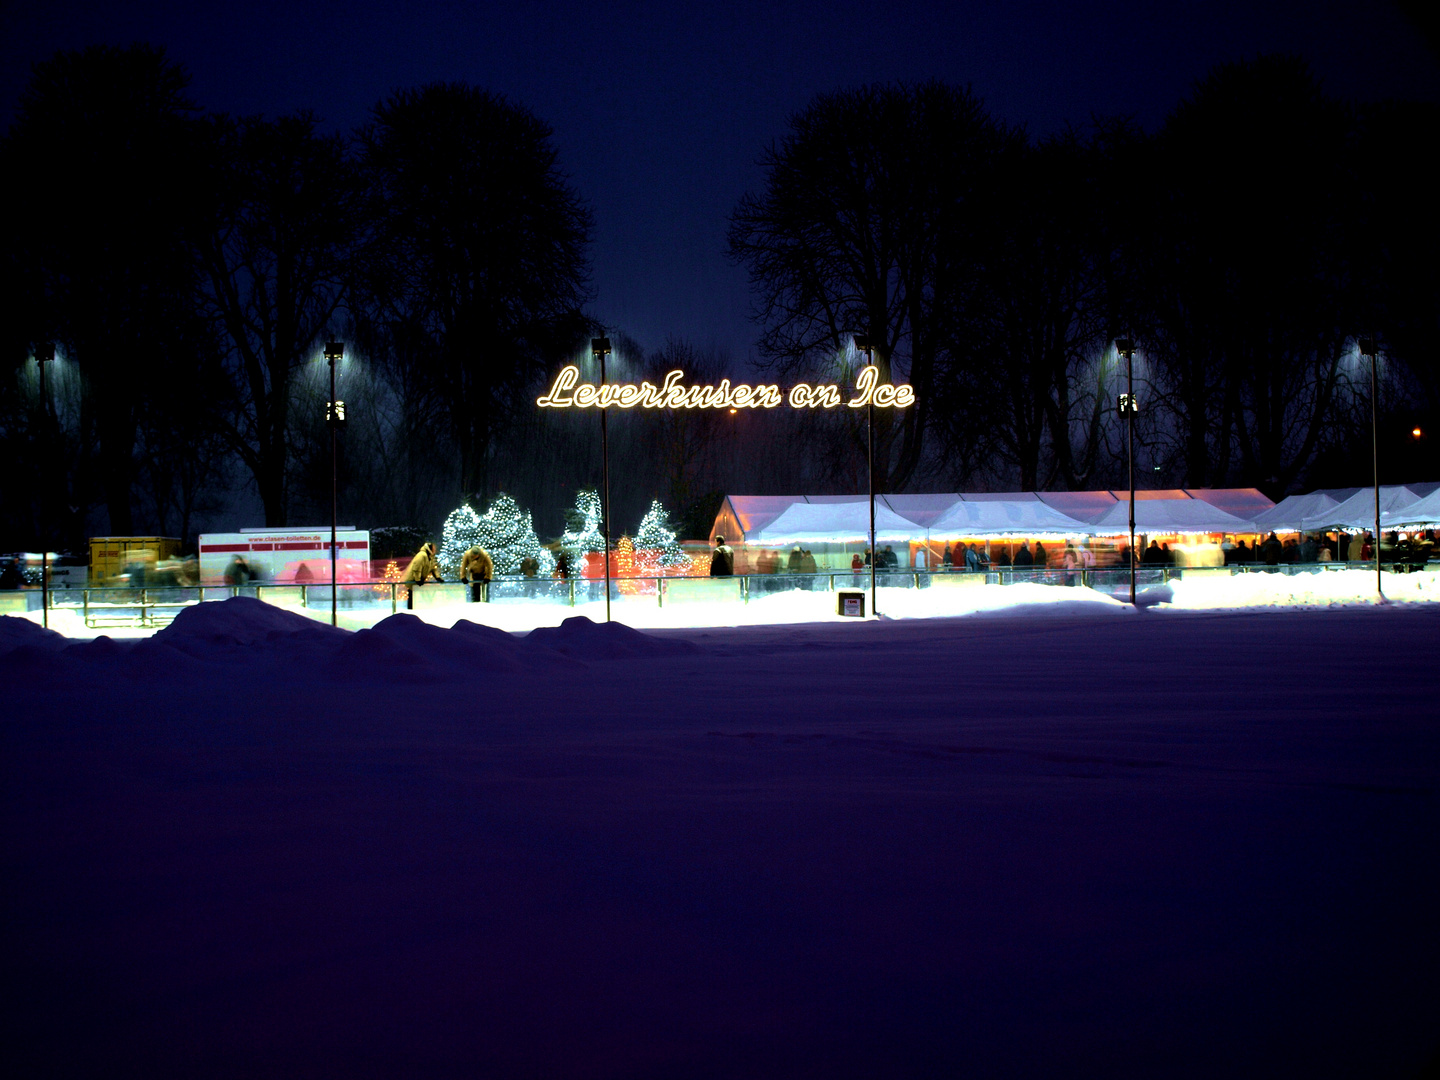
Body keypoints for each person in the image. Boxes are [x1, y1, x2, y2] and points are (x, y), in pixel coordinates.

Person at [403, 542, 443, 609]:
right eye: (434, 548)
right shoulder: (422, 555)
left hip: (418, 581)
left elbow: (433, 568)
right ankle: (410, 611)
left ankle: (413, 610)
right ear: (430, 548)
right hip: (413, 580)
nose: (435, 550)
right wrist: (417, 579)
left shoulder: (430, 557)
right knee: (412, 595)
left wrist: (438, 577)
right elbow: (417, 568)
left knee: (415, 596)